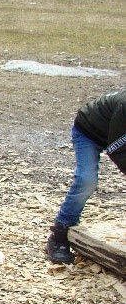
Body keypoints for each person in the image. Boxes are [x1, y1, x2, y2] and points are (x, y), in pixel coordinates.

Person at [46, 89, 126, 264]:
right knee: (87, 180)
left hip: (117, 134)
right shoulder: (124, 107)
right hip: (88, 132)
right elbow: (116, 149)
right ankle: (60, 233)